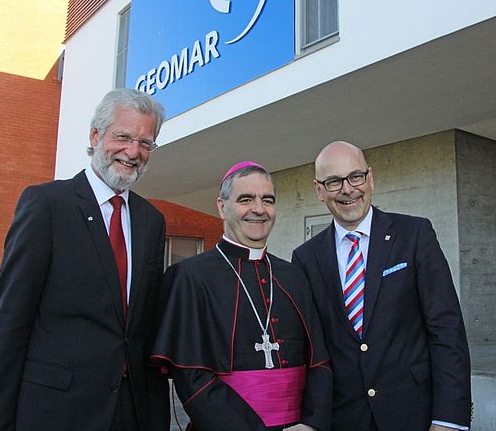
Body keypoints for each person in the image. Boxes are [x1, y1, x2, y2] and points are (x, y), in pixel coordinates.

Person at [0, 89, 169, 431]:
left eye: (145, 142)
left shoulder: (151, 221)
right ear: (95, 136)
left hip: (132, 412)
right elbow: (10, 323)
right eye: (122, 137)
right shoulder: (46, 205)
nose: (133, 152)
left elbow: (145, 323)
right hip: (57, 411)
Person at [291, 141, 472, 431]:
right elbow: (312, 350)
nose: (348, 189)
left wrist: (449, 419)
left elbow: (447, 330)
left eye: (356, 177)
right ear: (319, 190)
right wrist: (311, 421)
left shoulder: (415, 235)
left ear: (370, 178)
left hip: (414, 416)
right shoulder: (305, 258)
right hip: (343, 419)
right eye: (334, 181)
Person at [152, 162, 332, 431]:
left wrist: (312, 423)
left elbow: (319, 360)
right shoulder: (189, 276)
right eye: (245, 199)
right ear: (222, 207)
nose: (259, 209)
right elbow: (193, 378)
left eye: (267, 200)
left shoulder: (293, 275)